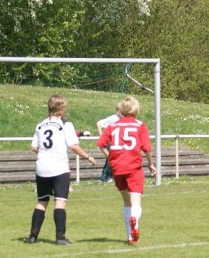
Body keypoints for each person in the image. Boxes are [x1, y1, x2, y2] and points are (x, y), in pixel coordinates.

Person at [25, 95, 96, 245]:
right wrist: (88, 156)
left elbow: (34, 147)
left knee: (42, 201)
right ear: (62, 108)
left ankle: (32, 236)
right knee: (60, 202)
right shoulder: (65, 124)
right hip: (59, 168)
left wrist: (47, 153)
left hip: (42, 168)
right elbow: (73, 146)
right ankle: (60, 237)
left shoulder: (40, 125)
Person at [97, 95, 157, 244]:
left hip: (117, 168)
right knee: (135, 202)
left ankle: (130, 236)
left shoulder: (113, 126)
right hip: (133, 167)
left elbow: (101, 144)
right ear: (136, 110)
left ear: (121, 111)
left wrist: (110, 157)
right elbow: (147, 148)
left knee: (126, 203)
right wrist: (150, 164)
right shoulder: (140, 125)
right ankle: (134, 219)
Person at [96, 108, 122, 182]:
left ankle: (108, 177)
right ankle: (105, 177)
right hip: (110, 142)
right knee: (111, 158)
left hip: (118, 143)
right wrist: (101, 136)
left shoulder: (125, 119)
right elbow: (99, 123)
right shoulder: (113, 118)